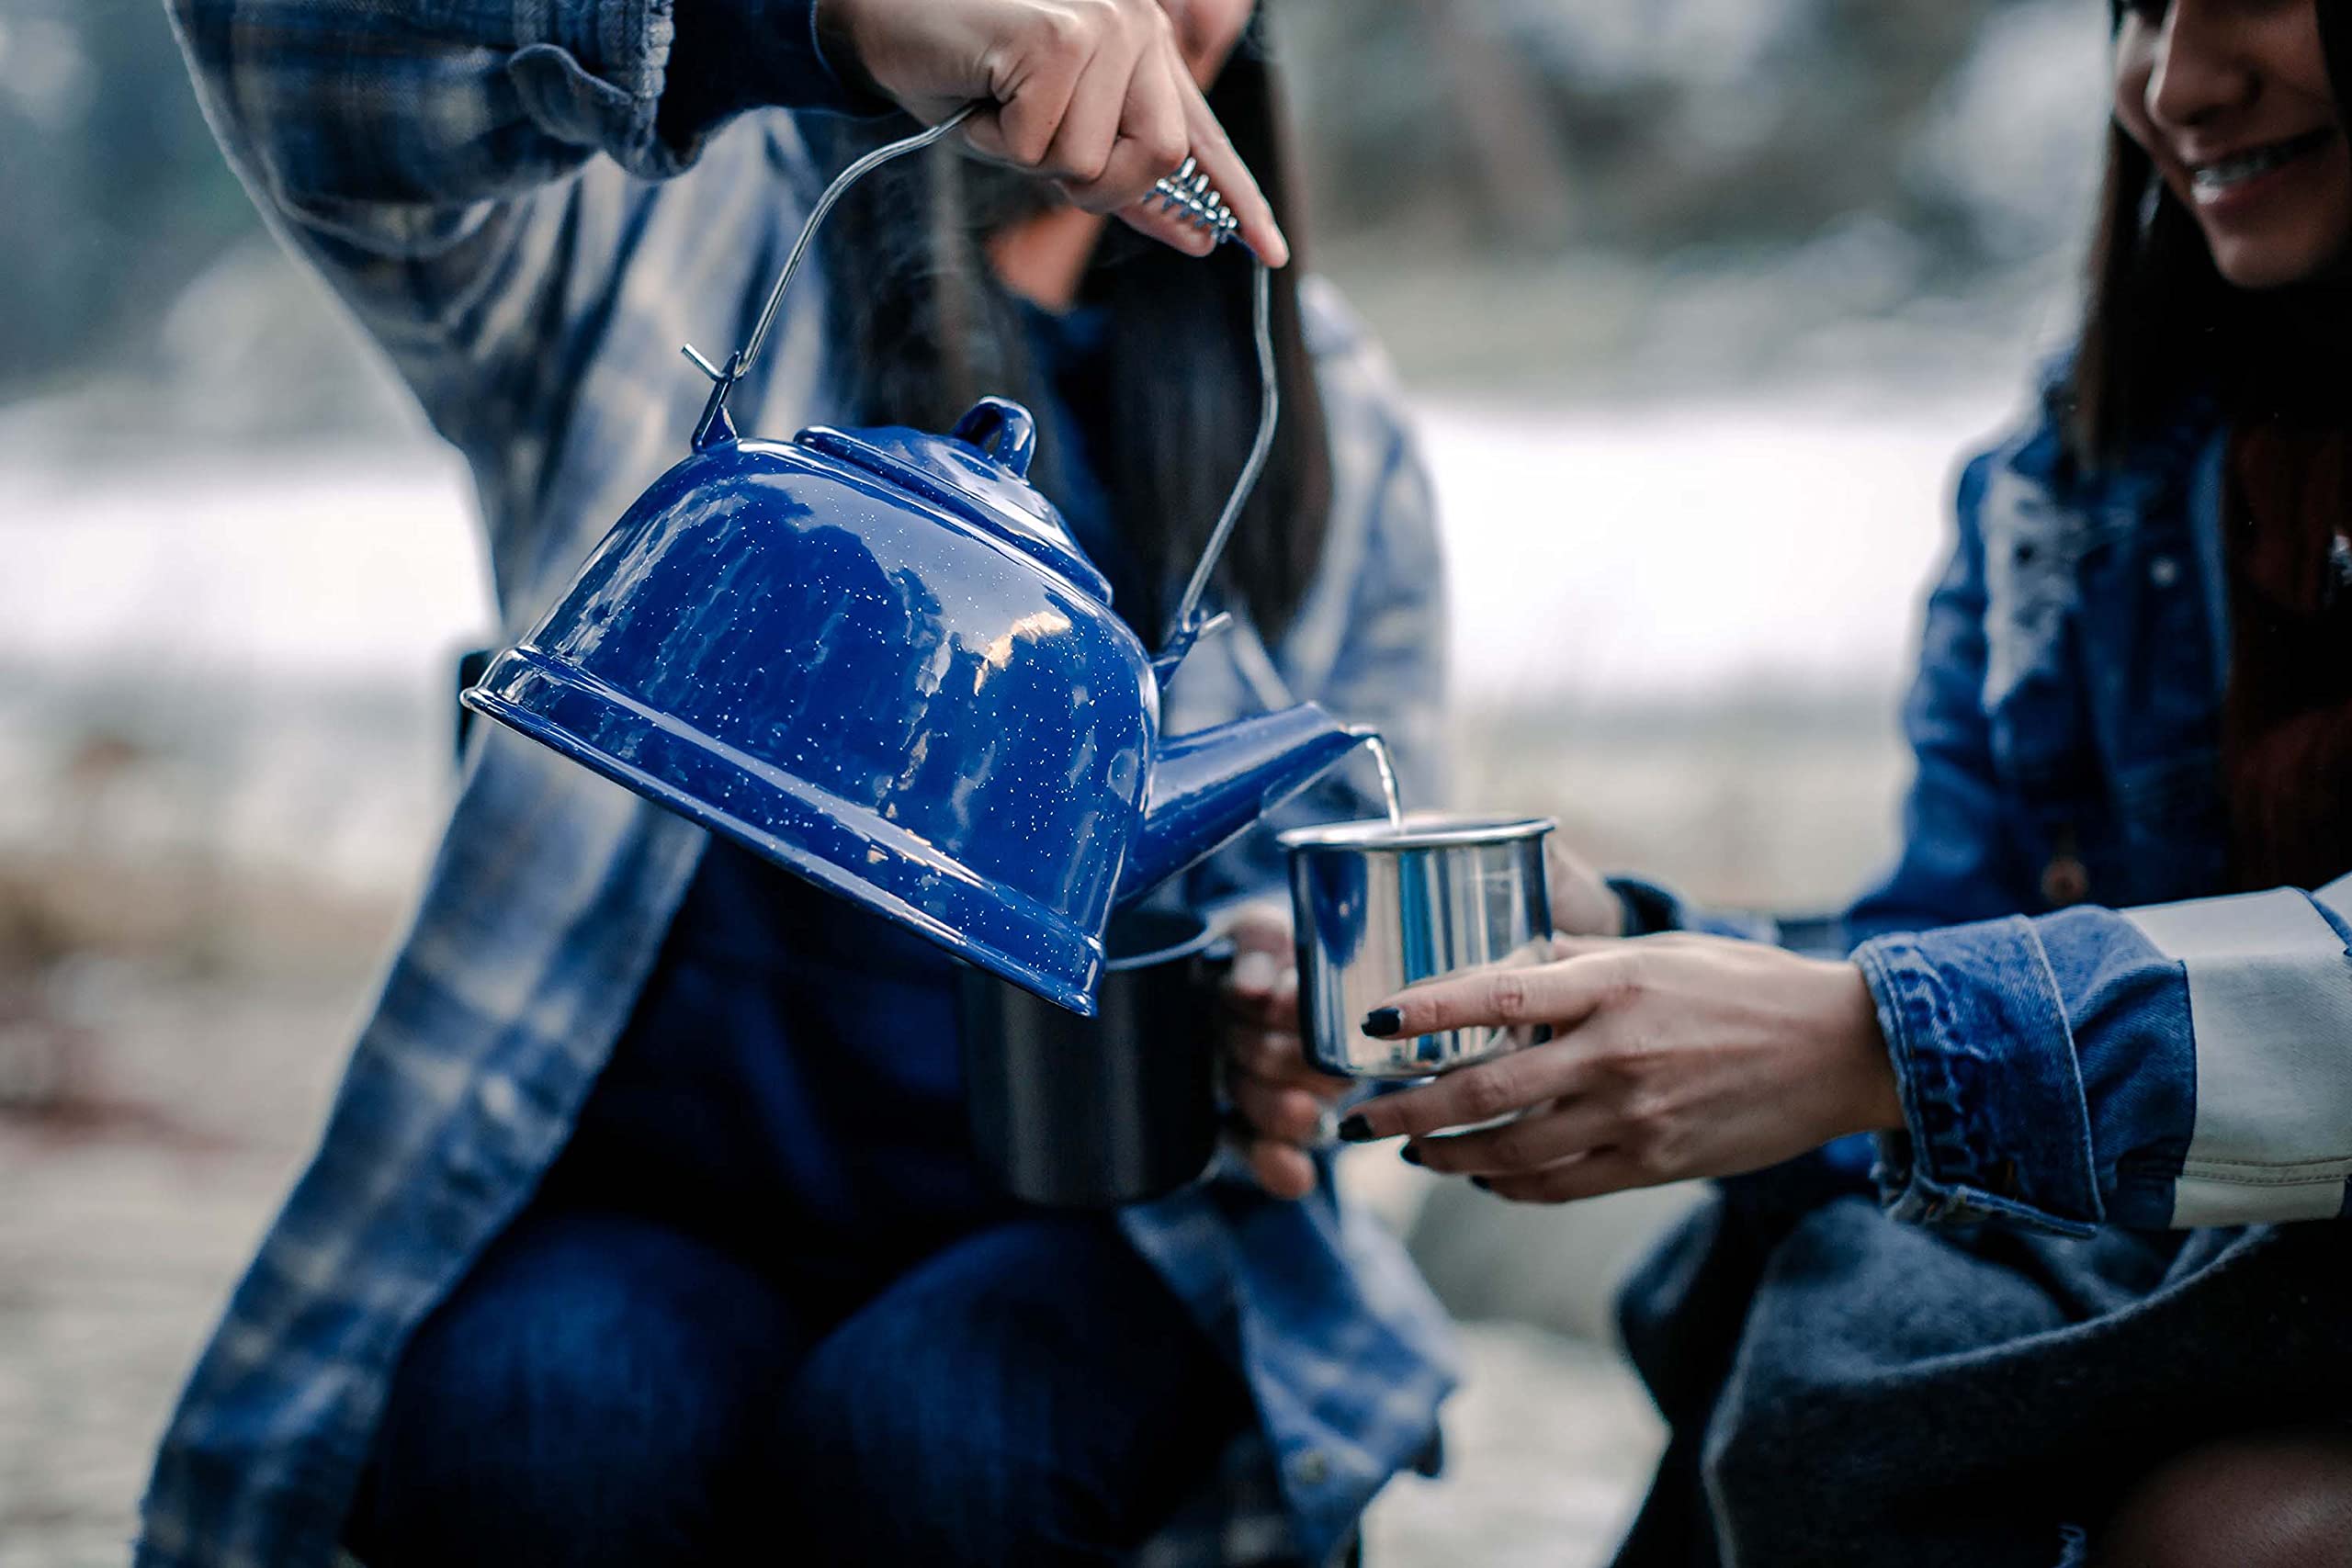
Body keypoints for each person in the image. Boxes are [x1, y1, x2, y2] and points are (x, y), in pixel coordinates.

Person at [141, 2, 1453, 1564]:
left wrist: (1286, 1000)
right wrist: (826, 19)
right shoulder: (666, 215)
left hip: (1094, 1210)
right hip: (645, 1185)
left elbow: (1355, 883)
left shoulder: (1317, 406)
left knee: (942, 1437)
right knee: (542, 1431)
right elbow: (296, 58)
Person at [1255, 0, 2352, 1562]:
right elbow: (1953, 950)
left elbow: (1938, 1028)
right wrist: (1635, 954)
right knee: (1823, 1308)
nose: (2176, 82)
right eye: (2136, 10)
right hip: (2182, 1274)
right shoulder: (2064, 495)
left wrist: (1874, 1042)